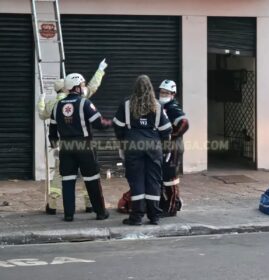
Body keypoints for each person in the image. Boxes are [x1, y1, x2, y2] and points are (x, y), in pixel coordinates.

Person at [37, 59, 108, 215]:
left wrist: (41, 101)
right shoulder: (83, 100)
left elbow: (45, 118)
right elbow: (92, 88)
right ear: (73, 86)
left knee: (64, 178)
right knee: (89, 177)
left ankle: (62, 209)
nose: (83, 87)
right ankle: (93, 207)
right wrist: (100, 70)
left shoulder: (54, 104)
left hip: (65, 146)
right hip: (84, 145)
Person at [113, 75, 172, 225]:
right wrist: (166, 149)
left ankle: (137, 216)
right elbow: (166, 130)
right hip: (153, 146)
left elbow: (117, 126)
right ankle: (154, 216)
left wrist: (122, 142)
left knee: (136, 180)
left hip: (133, 145)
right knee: (153, 181)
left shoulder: (126, 104)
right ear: (150, 88)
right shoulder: (157, 105)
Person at [158, 79, 189, 217]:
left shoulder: (173, 107)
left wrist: (173, 135)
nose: (163, 94)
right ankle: (172, 203)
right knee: (164, 177)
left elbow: (184, 123)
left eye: (166, 92)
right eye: (161, 92)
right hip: (167, 147)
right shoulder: (162, 106)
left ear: (173, 94)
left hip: (174, 148)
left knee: (170, 179)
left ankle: (171, 208)